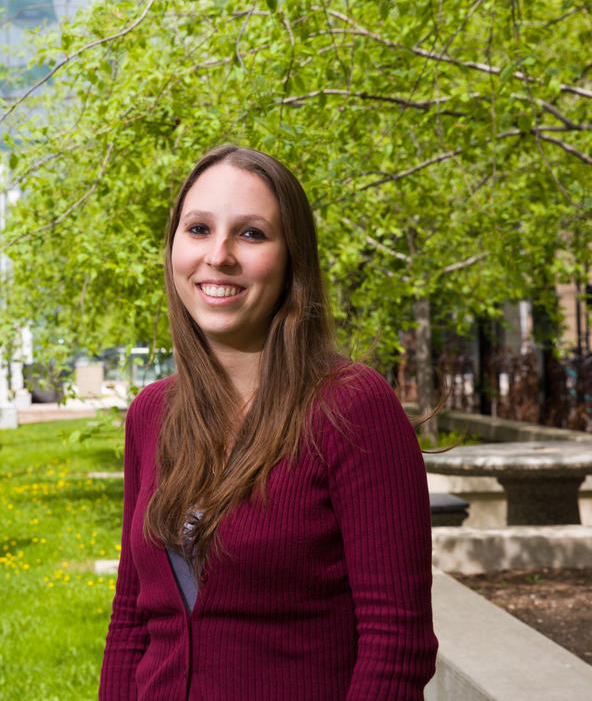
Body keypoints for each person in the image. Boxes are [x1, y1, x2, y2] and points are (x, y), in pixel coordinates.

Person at [100, 146, 437, 700]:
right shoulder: (151, 414)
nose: (219, 255)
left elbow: (396, 643)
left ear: (290, 260)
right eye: (199, 228)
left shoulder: (349, 407)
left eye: (251, 234)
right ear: (173, 249)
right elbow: (132, 620)